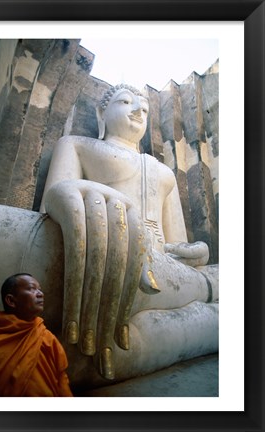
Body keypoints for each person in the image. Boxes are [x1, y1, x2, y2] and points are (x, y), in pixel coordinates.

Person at [39, 84, 219, 380]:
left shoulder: (164, 172)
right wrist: (80, 195)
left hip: (167, 268)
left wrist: (195, 251)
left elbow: (177, 243)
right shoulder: (77, 145)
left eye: (145, 109)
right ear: (102, 112)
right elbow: (50, 210)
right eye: (126, 102)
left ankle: (207, 320)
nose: (138, 111)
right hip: (110, 254)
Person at [0, 273, 73, 397]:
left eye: (39, 289)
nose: (40, 294)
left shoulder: (45, 336)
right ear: (11, 300)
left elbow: (61, 378)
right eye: (31, 289)